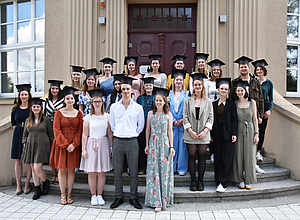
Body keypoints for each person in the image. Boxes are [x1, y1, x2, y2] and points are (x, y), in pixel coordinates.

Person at [109, 76, 144, 209]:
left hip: (132, 141)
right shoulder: (114, 107)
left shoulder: (138, 108)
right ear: (120, 91)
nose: (125, 91)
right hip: (118, 141)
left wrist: (133, 133)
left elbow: (140, 125)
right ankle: (118, 197)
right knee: (117, 171)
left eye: (127, 89)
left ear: (132, 90)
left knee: (133, 171)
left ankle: (133, 197)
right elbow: (112, 125)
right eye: (123, 89)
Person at [49, 86, 83, 205]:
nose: (70, 100)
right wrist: (65, 144)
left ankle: (70, 194)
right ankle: (62, 194)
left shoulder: (79, 114)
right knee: (62, 170)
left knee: (71, 170)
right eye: (68, 98)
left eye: (72, 98)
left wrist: (74, 144)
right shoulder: (58, 113)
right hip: (61, 144)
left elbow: (80, 130)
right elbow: (56, 130)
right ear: (64, 100)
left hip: (74, 145)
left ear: (74, 100)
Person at [80, 88, 113, 206]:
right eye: (95, 102)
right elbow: (84, 134)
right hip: (91, 144)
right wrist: (83, 149)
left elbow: (109, 133)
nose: (97, 104)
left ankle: (100, 194)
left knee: (102, 172)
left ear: (102, 103)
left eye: (99, 101)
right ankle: (93, 195)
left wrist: (111, 147)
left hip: (103, 143)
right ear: (92, 103)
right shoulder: (88, 118)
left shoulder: (107, 117)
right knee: (92, 172)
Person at [144, 87, 175, 212]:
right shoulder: (150, 114)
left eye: (160, 100)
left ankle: (164, 200)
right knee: (153, 172)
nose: (158, 102)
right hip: (153, 144)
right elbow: (147, 130)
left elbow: (170, 131)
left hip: (164, 144)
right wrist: (146, 145)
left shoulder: (168, 115)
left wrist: (172, 146)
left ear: (164, 102)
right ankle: (155, 200)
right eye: (156, 100)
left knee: (164, 172)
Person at [183, 73, 213, 191]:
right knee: (191, 156)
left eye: (199, 85)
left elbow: (211, 118)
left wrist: (205, 131)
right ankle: (193, 181)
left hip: (203, 133)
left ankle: (200, 180)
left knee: (201, 156)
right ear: (193, 87)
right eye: (195, 85)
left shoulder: (208, 101)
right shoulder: (188, 100)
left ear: (202, 86)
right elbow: (185, 116)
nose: (197, 87)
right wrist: (190, 130)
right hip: (190, 132)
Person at [21, 98, 53, 200]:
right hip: (30, 146)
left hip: (42, 146)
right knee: (33, 169)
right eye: (34, 107)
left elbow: (51, 135)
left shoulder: (46, 120)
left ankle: (45, 181)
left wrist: (52, 147)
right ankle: (37, 189)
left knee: (37, 168)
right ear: (31, 108)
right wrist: (25, 144)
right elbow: (25, 134)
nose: (36, 108)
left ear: (41, 108)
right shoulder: (28, 120)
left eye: (38, 107)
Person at [231, 79, 259, 190]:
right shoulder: (234, 103)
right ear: (236, 92)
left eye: (242, 90)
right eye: (238, 91)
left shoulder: (252, 103)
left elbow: (255, 119)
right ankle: (239, 179)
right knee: (238, 154)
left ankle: (248, 179)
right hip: (238, 129)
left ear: (245, 91)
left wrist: (256, 133)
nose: (240, 92)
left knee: (249, 155)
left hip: (250, 129)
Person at [212, 78, 238, 192]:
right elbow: (211, 120)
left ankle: (224, 182)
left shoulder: (232, 104)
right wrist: (211, 134)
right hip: (216, 134)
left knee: (226, 158)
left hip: (228, 133)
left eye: (225, 89)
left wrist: (234, 133)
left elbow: (234, 119)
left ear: (228, 91)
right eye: (221, 88)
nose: (223, 90)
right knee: (217, 157)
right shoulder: (213, 104)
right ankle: (218, 180)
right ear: (218, 90)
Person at [11, 84, 32, 195]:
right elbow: (13, 124)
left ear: (29, 95)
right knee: (18, 161)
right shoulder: (15, 109)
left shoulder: (31, 108)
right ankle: (19, 185)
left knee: (28, 161)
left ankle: (27, 184)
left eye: (25, 94)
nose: (24, 96)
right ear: (19, 96)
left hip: (29, 134)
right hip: (18, 133)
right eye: (22, 94)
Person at [230, 56, 264, 124]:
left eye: (245, 67)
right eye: (241, 67)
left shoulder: (255, 82)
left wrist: (260, 115)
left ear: (248, 68)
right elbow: (231, 99)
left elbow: (261, 99)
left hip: (254, 114)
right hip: (239, 115)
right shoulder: (234, 82)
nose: (243, 69)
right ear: (239, 69)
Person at [252, 59, 273, 163]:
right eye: (257, 69)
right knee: (253, 130)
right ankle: (252, 150)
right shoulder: (253, 82)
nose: (259, 71)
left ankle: (258, 152)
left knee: (262, 130)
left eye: (261, 69)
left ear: (264, 70)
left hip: (264, 107)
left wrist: (269, 110)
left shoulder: (269, 83)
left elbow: (271, 98)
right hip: (254, 105)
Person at [204, 59, 225, 163]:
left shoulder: (224, 82)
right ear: (211, 71)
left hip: (221, 108)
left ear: (220, 71)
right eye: (214, 70)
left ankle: (220, 152)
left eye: (218, 70)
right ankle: (212, 153)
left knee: (219, 130)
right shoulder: (208, 83)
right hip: (211, 108)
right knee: (211, 132)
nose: (216, 71)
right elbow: (206, 96)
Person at [43, 80, 64, 185]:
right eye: (53, 88)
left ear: (59, 90)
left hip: (59, 129)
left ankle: (59, 174)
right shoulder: (46, 102)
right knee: (51, 153)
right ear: (50, 90)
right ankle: (54, 174)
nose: (54, 90)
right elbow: (44, 115)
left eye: (56, 88)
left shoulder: (63, 101)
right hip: (48, 129)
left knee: (59, 152)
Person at [169, 69, 189, 176]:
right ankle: (171, 167)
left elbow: (189, 109)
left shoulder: (187, 94)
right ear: (174, 81)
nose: (179, 82)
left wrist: (183, 120)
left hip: (182, 124)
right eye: (177, 80)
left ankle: (182, 167)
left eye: (181, 80)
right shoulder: (168, 94)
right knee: (172, 146)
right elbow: (166, 109)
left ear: (183, 81)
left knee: (182, 147)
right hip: (172, 124)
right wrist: (172, 121)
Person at [136, 77, 156, 175]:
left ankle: (151, 167)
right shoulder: (140, 98)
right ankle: (142, 167)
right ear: (144, 86)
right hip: (142, 126)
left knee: (153, 147)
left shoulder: (156, 97)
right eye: (147, 85)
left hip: (154, 126)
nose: (148, 87)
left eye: (150, 85)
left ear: (153, 87)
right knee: (142, 146)